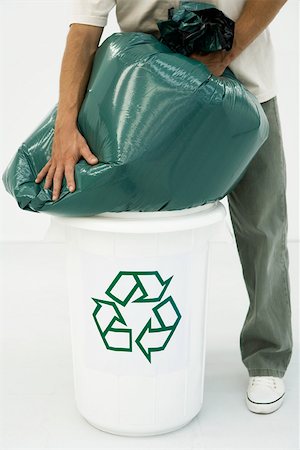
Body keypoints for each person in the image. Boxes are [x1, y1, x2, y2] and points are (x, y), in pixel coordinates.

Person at [34, 0, 293, 414]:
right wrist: (66, 125)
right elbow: (84, 29)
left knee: (263, 224)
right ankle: (147, 357)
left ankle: (268, 357)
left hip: (243, 85)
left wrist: (227, 52)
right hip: (148, 99)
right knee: (146, 234)